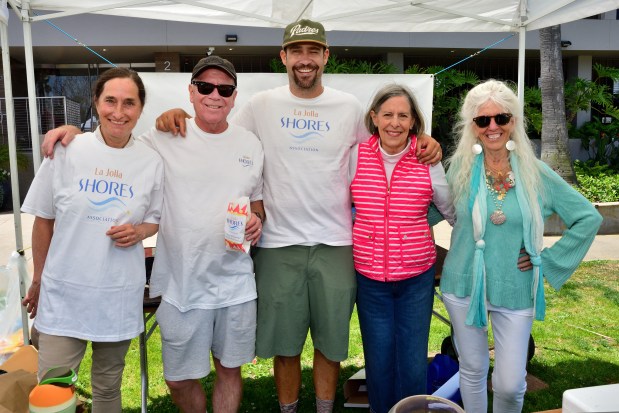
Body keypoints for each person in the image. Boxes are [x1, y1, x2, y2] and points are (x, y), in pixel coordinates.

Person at [152, 19, 442, 412]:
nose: (305, 60)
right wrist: (175, 115)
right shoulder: (260, 106)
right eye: (297, 52)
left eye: (313, 51)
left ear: (325, 56)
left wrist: (423, 139)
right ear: (284, 57)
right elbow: (216, 133)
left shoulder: (349, 107)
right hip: (277, 244)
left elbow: (385, 143)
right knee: (284, 347)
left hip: (337, 243)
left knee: (331, 344)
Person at [40, 56, 265, 413]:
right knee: (177, 378)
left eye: (224, 89)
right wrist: (76, 134)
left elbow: (257, 203)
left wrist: (256, 220)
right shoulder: (162, 136)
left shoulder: (250, 144)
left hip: (235, 283)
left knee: (229, 368)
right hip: (180, 284)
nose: (214, 95)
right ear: (191, 92)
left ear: (234, 97)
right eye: (205, 87)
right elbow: (115, 142)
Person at [440, 79, 602, 413]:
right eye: (483, 120)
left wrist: (548, 259)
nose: (493, 126)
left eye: (502, 117)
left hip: (515, 286)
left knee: (511, 384)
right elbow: (423, 207)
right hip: (463, 284)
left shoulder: (535, 173)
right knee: (472, 369)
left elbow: (587, 217)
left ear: (514, 121)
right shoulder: (459, 169)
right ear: (473, 126)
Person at [21, 67, 164, 412]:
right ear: (96, 103)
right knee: (52, 393)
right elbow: (44, 221)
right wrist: (38, 278)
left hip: (116, 295)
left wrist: (139, 232)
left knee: (107, 387)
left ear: (140, 109)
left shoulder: (151, 161)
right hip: (64, 294)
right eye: (110, 101)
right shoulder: (67, 150)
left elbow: (154, 221)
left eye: (129, 103)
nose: (119, 111)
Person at [349, 83, 455, 413]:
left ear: (413, 122)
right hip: (369, 279)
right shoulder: (356, 155)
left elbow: (451, 211)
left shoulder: (427, 158)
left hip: (415, 278)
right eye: (388, 114)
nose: (395, 122)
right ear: (374, 118)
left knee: (411, 363)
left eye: (403, 116)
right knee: (378, 362)